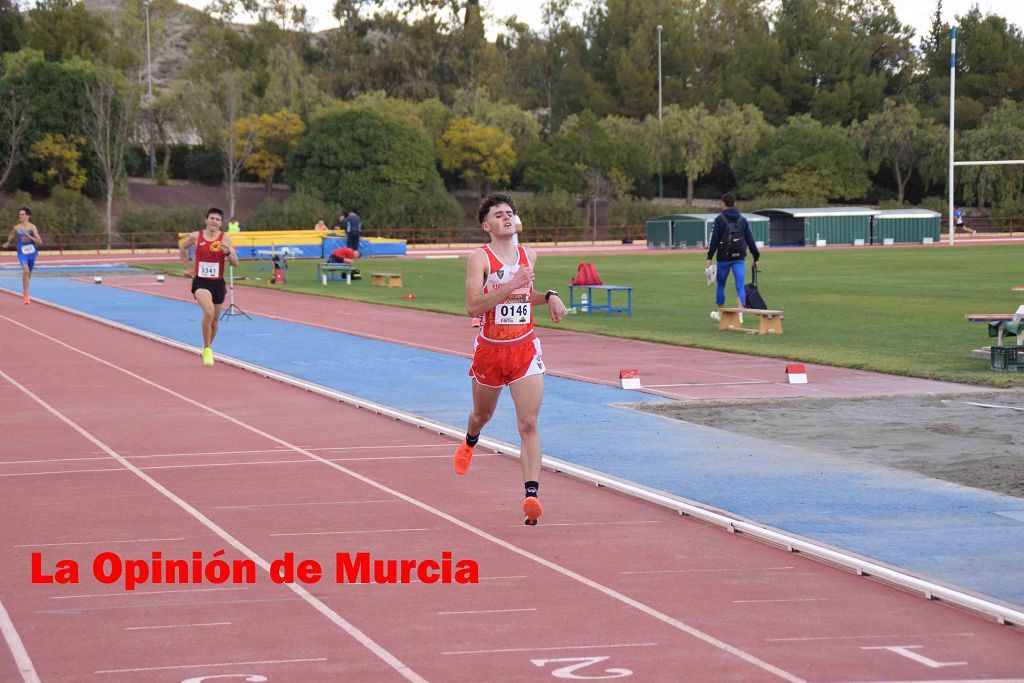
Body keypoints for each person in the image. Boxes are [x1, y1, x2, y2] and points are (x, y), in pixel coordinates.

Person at [453, 194, 566, 526]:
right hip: (490, 351)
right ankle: (470, 441)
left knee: (528, 424)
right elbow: (473, 306)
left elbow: (525, 295)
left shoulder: (529, 254)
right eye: (498, 215)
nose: (506, 218)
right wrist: (511, 284)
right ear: (486, 226)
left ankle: (531, 496)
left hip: (524, 350)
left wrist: (550, 296)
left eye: (510, 214)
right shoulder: (480, 258)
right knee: (481, 415)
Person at [179, 208, 239, 366]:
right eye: (211, 218)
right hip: (201, 282)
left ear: (221, 223)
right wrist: (186, 267)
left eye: (217, 219)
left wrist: (227, 253)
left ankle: (208, 347)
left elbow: (235, 263)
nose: (214, 221)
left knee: (214, 321)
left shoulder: (225, 238)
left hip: (218, 283)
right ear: (206, 220)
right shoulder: (195, 236)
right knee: (209, 311)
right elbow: (182, 248)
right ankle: (207, 349)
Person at [706, 192, 760, 320]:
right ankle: (740, 315)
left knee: (721, 285)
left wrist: (709, 256)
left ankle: (720, 313)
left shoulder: (720, 219)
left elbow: (714, 240)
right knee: (739, 285)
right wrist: (756, 257)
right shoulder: (742, 220)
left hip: (723, 258)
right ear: (734, 204)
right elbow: (750, 240)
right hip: (739, 258)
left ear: (723, 203)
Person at [2, 206, 42, 305]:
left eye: (22, 214)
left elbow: (39, 241)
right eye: (19, 214)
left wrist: (28, 236)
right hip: (22, 253)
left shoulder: (32, 227)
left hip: (32, 253)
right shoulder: (17, 227)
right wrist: (8, 241)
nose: (20, 216)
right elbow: (11, 234)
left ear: (28, 216)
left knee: (28, 274)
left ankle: (26, 285)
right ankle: (26, 295)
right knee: (26, 271)